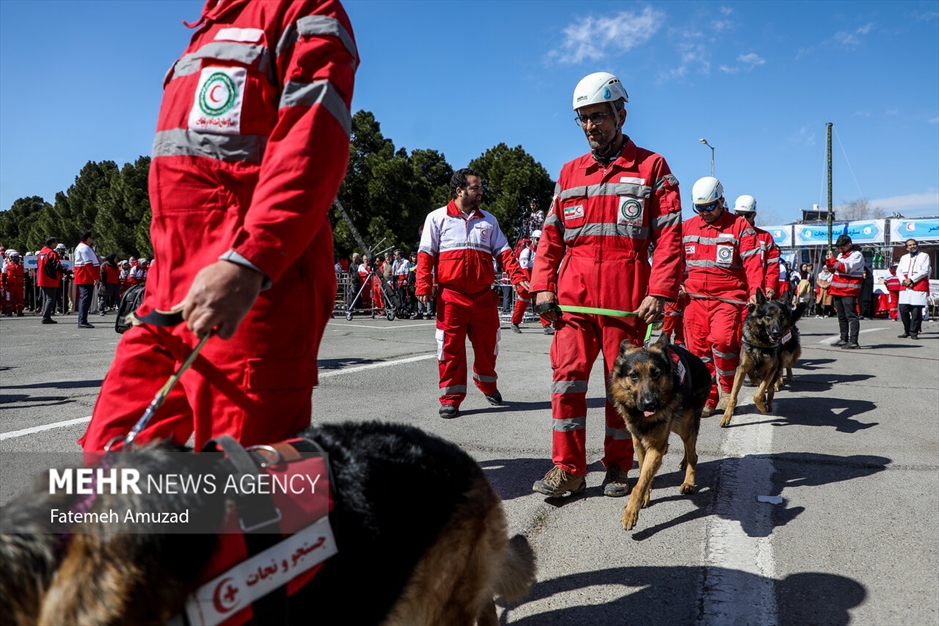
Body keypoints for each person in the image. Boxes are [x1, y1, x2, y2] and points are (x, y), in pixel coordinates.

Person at [79, 0, 357, 452]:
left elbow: (312, 145)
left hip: (253, 296)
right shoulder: (208, 29)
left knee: (248, 500)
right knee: (106, 465)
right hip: (167, 298)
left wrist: (249, 263)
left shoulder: (303, 10)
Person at [529, 72, 682, 498]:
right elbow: (551, 236)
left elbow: (669, 235)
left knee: (626, 386)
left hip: (628, 295)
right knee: (567, 380)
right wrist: (542, 287)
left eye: (599, 116)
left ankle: (618, 465)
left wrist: (660, 290)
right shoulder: (569, 172)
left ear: (620, 113)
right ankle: (568, 468)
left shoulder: (652, 167)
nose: (591, 126)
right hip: (574, 298)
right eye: (583, 118)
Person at [416, 168, 529, 419]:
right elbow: (425, 255)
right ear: (459, 191)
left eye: (480, 187)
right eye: (475, 188)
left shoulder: (489, 220)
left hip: (483, 298)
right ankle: (451, 398)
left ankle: (487, 385)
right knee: (449, 349)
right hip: (450, 298)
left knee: (489, 348)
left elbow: (505, 255)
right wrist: (423, 284)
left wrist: (520, 278)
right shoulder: (436, 218)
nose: (481, 192)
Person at [681, 177, 763, 416]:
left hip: (728, 299)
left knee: (724, 342)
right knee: (698, 351)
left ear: (721, 202)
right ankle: (708, 396)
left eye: (710, 207)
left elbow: (753, 263)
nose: (705, 213)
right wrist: (675, 284)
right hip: (694, 301)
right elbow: (675, 261)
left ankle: (727, 389)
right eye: (700, 208)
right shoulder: (687, 228)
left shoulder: (739, 227)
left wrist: (755, 291)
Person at [732, 195, 779, 299]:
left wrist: (770, 285)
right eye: (739, 215)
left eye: (747, 215)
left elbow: (772, 265)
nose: (743, 219)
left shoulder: (765, 237)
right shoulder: (729, 236)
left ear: (754, 215)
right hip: (734, 290)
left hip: (757, 292)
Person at [826, 234, 864, 349]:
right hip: (838, 290)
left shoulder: (857, 255)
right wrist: (828, 261)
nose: (840, 250)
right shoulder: (841, 255)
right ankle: (844, 339)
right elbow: (834, 270)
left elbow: (845, 268)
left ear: (849, 244)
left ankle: (853, 341)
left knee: (851, 316)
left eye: (842, 248)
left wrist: (833, 260)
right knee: (841, 316)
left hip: (849, 290)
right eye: (839, 248)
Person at [511, 230, 552, 334]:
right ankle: (515, 322)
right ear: (533, 239)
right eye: (537, 239)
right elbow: (523, 268)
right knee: (522, 303)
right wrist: (530, 283)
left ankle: (546, 325)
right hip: (526, 280)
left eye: (540, 239)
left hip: (536, 278)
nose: (539, 241)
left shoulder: (540, 252)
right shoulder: (526, 252)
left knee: (540, 302)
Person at [896, 238, 931, 340]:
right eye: (910, 245)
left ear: (917, 245)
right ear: (907, 248)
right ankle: (907, 330)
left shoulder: (924, 256)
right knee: (903, 309)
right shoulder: (904, 258)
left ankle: (914, 332)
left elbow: (924, 271)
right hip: (905, 286)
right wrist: (904, 280)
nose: (912, 246)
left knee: (916, 311)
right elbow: (899, 271)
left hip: (918, 285)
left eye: (914, 244)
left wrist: (911, 280)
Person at [37, 237, 68, 324]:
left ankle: (44, 314)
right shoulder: (51, 253)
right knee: (51, 298)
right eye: (55, 243)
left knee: (45, 298)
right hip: (50, 279)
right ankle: (46, 317)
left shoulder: (41, 253)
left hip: (41, 278)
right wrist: (67, 271)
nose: (56, 245)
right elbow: (57, 266)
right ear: (52, 243)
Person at [73, 230, 100, 329]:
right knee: (85, 299)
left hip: (85, 277)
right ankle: (82, 321)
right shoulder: (84, 248)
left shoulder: (83, 247)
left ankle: (83, 320)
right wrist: (95, 277)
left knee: (85, 299)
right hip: (85, 277)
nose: (92, 240)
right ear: (88, 238)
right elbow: (88, 264)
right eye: (91, 238)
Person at [1, 250, 25, 316]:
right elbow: (4, 276)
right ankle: (9, 311)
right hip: (10, 285)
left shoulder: (22, 265)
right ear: (11, 257)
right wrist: (4, 284)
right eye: (15, 257)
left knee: (20, 298)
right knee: (9, 298)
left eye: (17, 257)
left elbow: (25, 275)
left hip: (19, 285)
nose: (16, 258)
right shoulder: (6, 265)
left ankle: (20, 310)